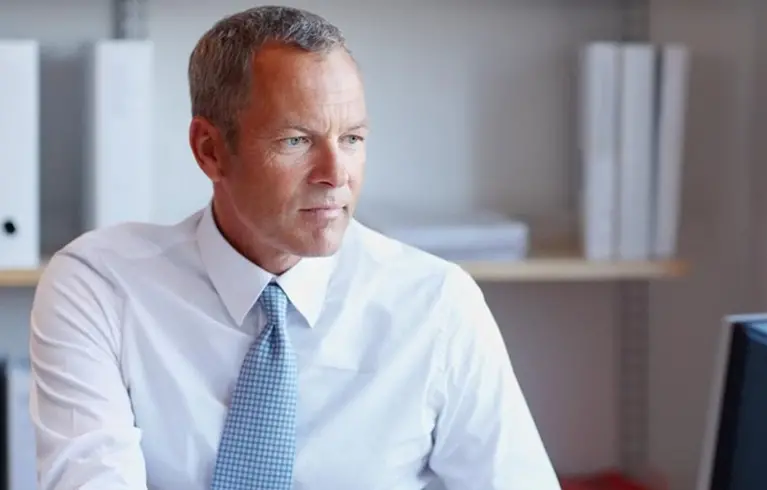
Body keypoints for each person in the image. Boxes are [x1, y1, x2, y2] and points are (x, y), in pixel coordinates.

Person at [29, 5, 560, 490]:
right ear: (210, 150)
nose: (336, 175)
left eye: (352, 138)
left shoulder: (438, 304)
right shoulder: (100, 287)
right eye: (296, 140)